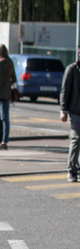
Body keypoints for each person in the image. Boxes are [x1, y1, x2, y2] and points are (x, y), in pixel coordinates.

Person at [60, 44, 80, 182]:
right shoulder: (72, 69)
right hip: (75, 111)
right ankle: (71, 170)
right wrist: (63, 110)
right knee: (77, 139)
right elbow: (64, 90)